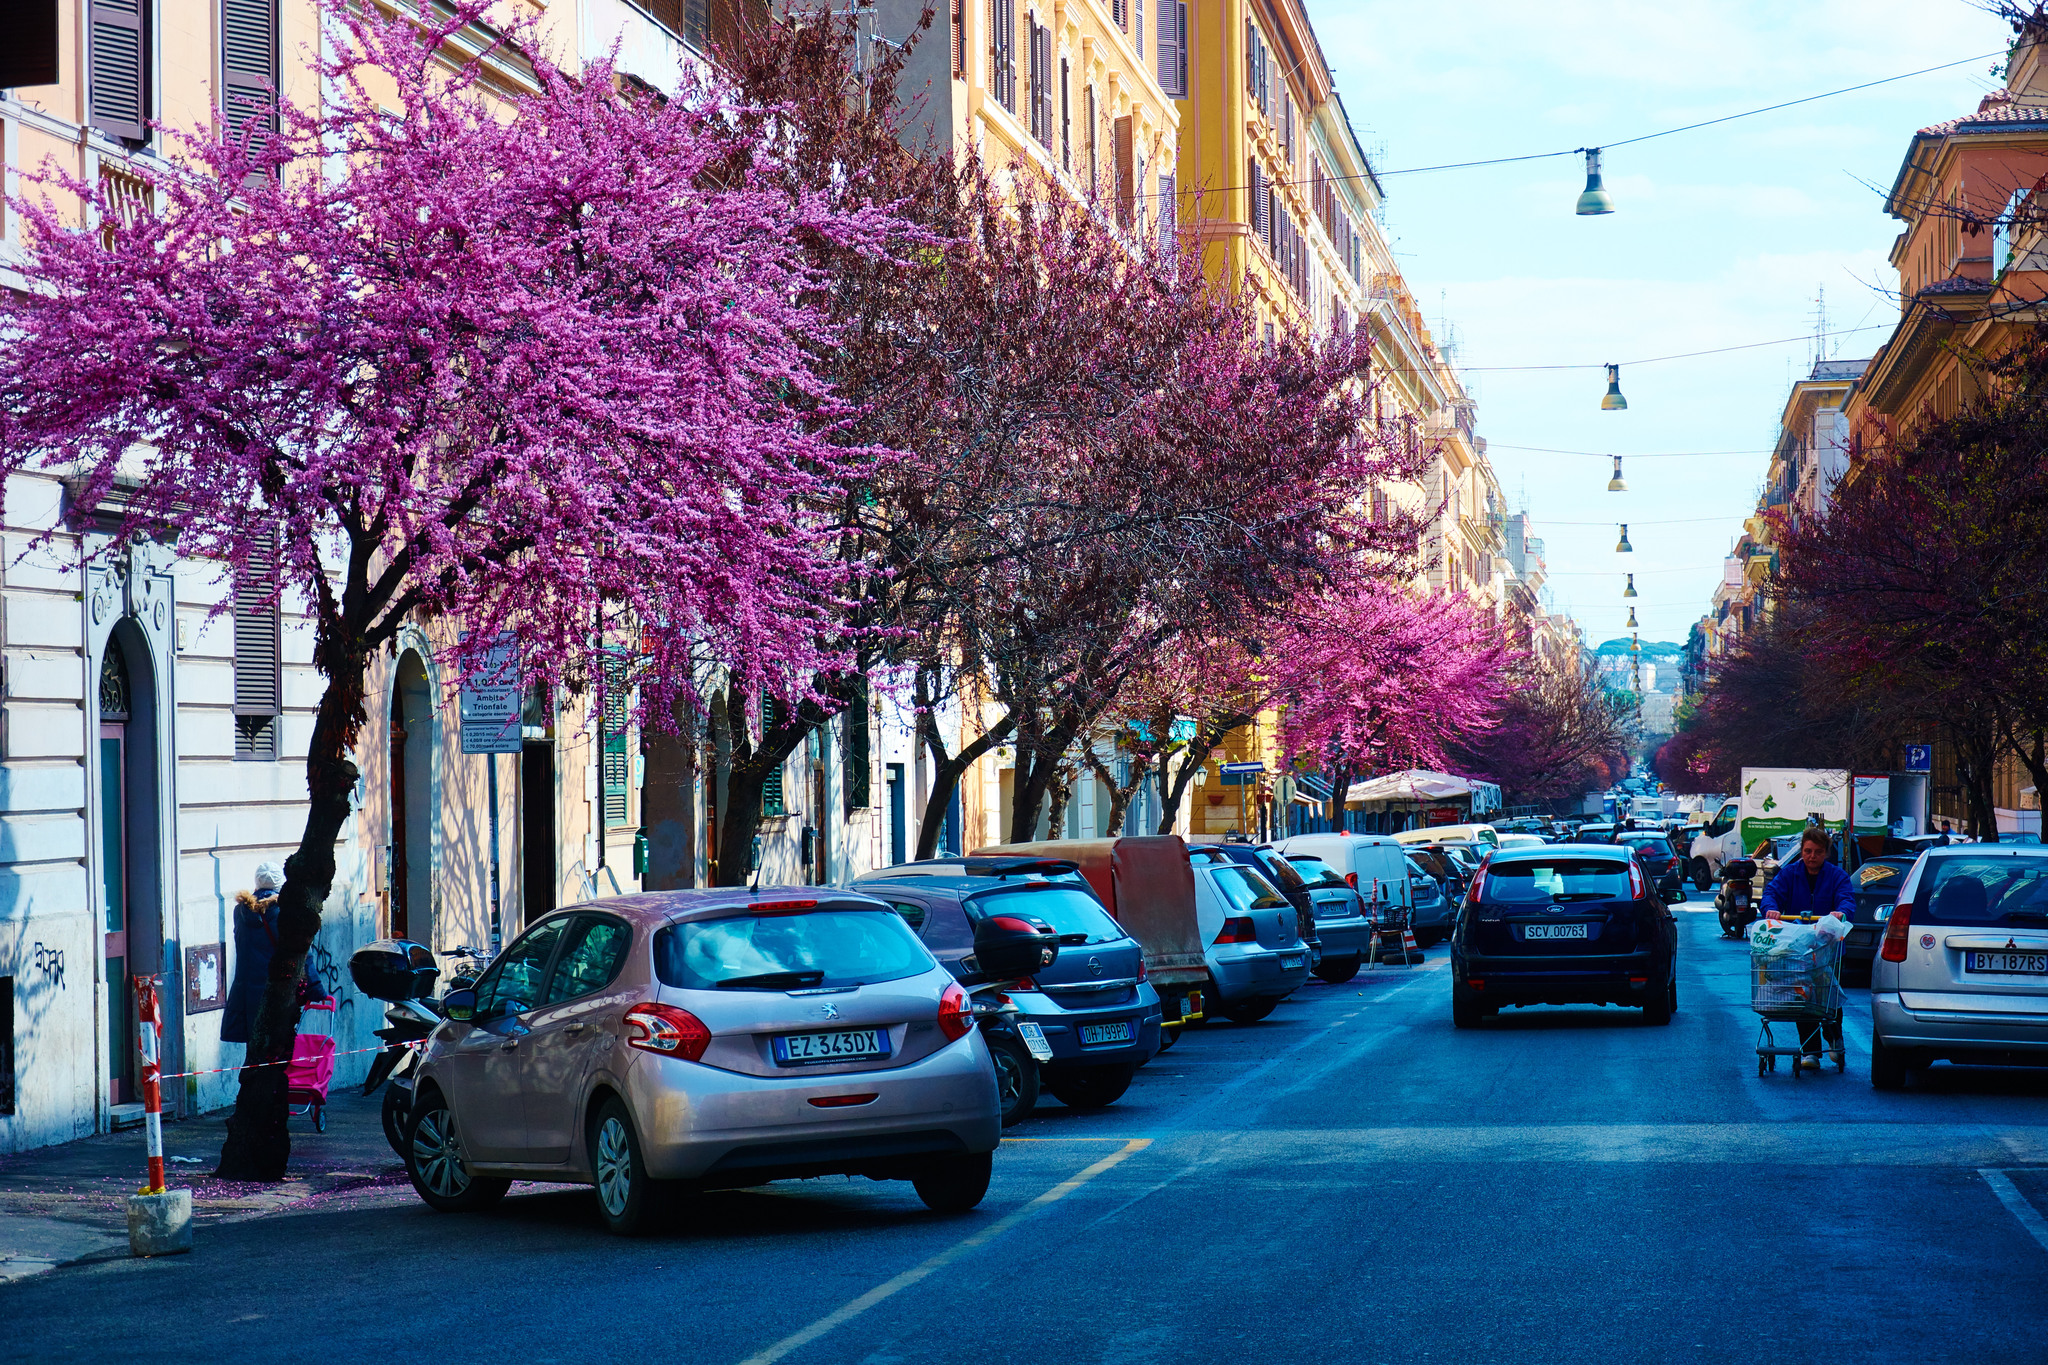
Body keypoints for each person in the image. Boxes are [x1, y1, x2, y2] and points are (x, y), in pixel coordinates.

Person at [1759, 828, 1855, 1069]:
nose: (1812, 856)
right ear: (1801, 851)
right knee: (1801, 996)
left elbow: (1846, 899)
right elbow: (1771, 894)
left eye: (1818, 852)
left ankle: (1833, 1037)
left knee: (1827, 996)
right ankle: (1809, 1051)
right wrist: (1771, 909)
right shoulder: (1789, 874)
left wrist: (1840, 912)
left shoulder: (1837, 876)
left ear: (1826, 853)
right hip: (1798, 948)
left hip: (1828, 948)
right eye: (1807, 851)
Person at [220, 862, 328, 1046]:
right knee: (277, 1050)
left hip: (247, 995)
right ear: (281, 885)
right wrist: (316, 989)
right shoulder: (284, 913)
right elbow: (303, 953)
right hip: (278, 993)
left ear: (257, 883)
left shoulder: (240, 912)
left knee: (255, 1049)